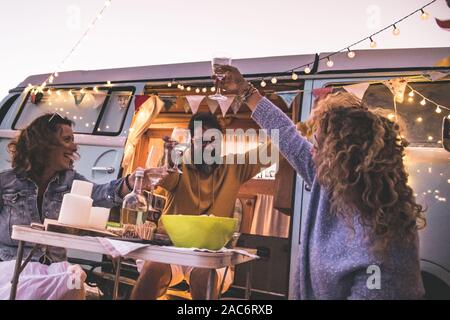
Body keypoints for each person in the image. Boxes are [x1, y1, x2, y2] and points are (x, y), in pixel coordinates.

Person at [217, 65, 426, 299]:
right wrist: (245, 91)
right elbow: (286, 134)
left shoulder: (387, 244)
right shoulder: (326, 181)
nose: (311, 149)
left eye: (318, 143)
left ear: (345, 156)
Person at [0, 113, 157, 297]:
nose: (75, 146)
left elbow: (100, 194)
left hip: (54, 269)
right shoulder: (6, 181)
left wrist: (130, 183)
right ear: (43, 144)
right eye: (67, 140)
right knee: (69, 281)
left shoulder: (69, 180)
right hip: (11, 267)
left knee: (74, 280)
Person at [131, 112, 275, 300]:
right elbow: (167, 177)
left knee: (205, 277)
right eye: (201, 141)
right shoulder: (179, 164)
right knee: (151, 272)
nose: (208, 147)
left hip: (211, 253)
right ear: (192, 141)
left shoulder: (234, 167)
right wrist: (169, 160)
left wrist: (305, 127)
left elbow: (274, 149)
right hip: (172, 247)